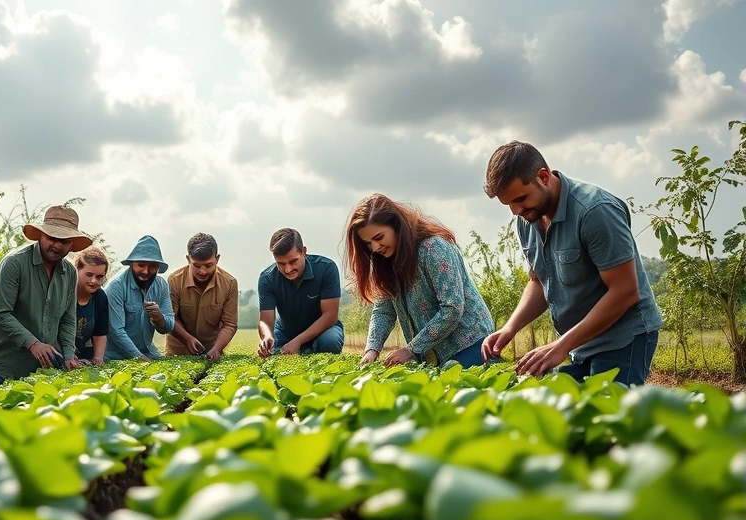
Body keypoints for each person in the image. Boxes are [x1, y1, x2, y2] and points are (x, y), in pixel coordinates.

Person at [481, 141, 663, 385]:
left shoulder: (595, 211)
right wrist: (510, 328)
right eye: (509, 204)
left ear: (543, 177)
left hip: (623, 339)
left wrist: (560, 346)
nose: (515, 211)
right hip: (580, 343)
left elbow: (625, 292)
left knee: (608, 417)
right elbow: (539, 281)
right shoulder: (528, 219)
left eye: (520, 199)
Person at [346, 194, 495, 368]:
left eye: (379, 237)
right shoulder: (387, 262)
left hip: (470, 343)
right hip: (431, 353)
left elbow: (452, 308)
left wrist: (411, 349)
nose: (375, 247)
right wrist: (371, 350)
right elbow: (384, 310)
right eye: (368, 243)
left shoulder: (433, 248)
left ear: (396, 226)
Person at [0, 206, 91, 384]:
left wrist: (69, 355)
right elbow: (1, 314)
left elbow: (68, 318)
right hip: (3, 368)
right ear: (41, 235)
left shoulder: (70, 272)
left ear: (71, 244)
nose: (56, 245)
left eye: (63, 241)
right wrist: (33, 344)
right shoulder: (15, 263)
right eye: (51, 238)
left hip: (42, 374)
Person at [257, 228, 344, 357]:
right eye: (280, 263)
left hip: (324, 330)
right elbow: (265, 320)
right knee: (272, 354)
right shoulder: (267, 278)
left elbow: (330, 316)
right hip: (286, 332)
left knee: (329, 342)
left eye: (293, 261)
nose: (288, 269)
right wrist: (267, 336)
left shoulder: (326, 268)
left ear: (304, 251)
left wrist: (298, 341)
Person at [166, 233, 239, 360]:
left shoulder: (229, 283)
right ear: (188, 259)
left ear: (217, 258)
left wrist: (217, 349)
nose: (202, 271)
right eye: (197, 266)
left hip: (211, 351)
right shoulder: (174, 281)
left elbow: (229, 324)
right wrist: (186, 338)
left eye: (208, 265)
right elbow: (170, 317)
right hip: (178, 351)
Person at [104, 235, 174, 360]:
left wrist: (159, 318)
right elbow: (116, 331)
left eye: (152, 266)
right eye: (141, 265)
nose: (146, 271)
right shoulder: (117, 286)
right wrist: (140, 358)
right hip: (114, 355)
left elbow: (168, 327)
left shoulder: (162, 285)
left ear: (158, 267)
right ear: (132, 264)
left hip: (147, 352)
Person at [74, 246, 110, 366]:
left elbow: (100, 333)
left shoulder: (100, 296)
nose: (94, 281)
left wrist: (98, 358)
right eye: (89, 275)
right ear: (77, 270)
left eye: (99, 277)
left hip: (84, 355)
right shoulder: (65, 292)